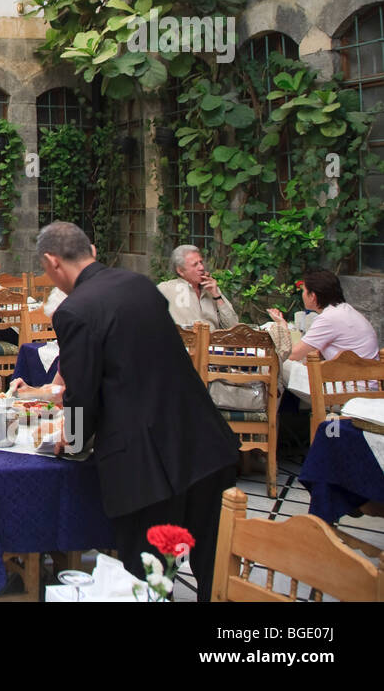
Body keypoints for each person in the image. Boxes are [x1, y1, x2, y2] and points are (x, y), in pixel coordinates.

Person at [37, 221, 239, 600]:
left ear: (52, 262)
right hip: (203, 439)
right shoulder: (139, 285)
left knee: (148, 577)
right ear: (91, 251)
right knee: (213, 572)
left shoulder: (74, 310)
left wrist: (75, 442)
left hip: (147, 465)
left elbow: (81, 395)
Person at [268, 268, 379, 363]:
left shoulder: (329, 318)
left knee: (278, 367)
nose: (302, 295)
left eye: (304, 291)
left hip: (351, 384)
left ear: (312, 296)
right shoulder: (345, 310)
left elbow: (293, 355)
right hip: (363, 380)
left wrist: (282, 325)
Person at [157, 245, 239, 330]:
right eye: (195, 264)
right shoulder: (166, 289)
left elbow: (233, 328)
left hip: (213, 341)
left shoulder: (211, 289)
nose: (202, 268)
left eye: (201, 262)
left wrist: (217, 296)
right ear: (180, 271)